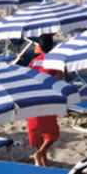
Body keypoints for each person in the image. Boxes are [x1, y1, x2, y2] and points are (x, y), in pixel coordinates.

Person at [27, 35, 62, 166]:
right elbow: (59, 81)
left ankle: (44, 163)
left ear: (41, 46)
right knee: (52, 132)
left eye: (36, 44)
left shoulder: (33, 62)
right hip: (46, 99)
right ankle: (40, 153)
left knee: (37, 132)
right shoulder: (54, 61)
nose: (34, 46)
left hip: (31, 99)